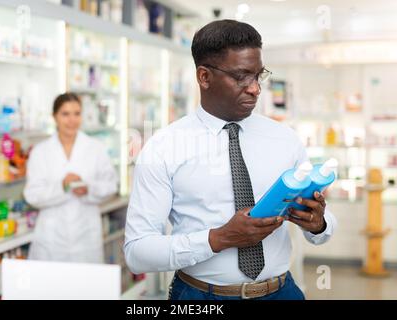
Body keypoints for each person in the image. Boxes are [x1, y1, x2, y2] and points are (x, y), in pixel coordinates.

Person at [124, 20, 337, 300]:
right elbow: (137, 253)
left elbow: (323, 229)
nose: (255, 89)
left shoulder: (285, 139)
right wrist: (218, 238)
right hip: (200, 296)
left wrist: (318, 223)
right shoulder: (164, 147)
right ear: (204, 77)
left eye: (258, 76)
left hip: (282, 291)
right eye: (241, 77)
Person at [24, 93, 118, 263]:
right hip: (51, 239)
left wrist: (89, 188)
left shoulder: (95, 148)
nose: (72, 120)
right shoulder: (41, 151)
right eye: (65, 114)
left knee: (85, 288)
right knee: (50, 288)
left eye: (76, 113)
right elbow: (32, 195)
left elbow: (111, 185)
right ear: (54, 117)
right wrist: (62, 186)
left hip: (86, 236)